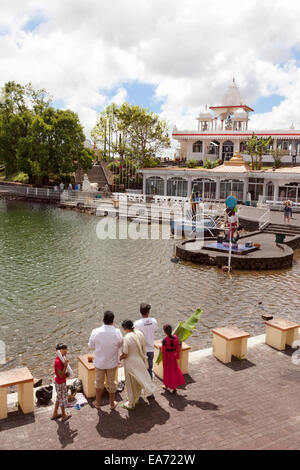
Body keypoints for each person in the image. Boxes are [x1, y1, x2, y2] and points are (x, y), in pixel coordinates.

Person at [88, 311, 123, 410]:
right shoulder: (117, 332)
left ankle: (98, 403)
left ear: (103, 319)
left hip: (99, 363)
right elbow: (120, 344)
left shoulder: (95, 331)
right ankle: (112, 403)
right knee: (112, 383)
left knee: (99, 383)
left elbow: (90, 345)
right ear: (113, 320)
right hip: (112, 362)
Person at [120, 320, 155, 410]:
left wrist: (119, 358)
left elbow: (125, 353)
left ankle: (131, 402)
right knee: (139, 379)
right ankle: (138, 395)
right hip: (140, 360)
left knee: (131, 382)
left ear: (125, 328)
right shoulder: (139, 333)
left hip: (130, 362)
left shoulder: (127, 337)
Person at [134, 303, 157, 379]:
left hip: (141, 350)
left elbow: (134, 335)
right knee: (149, 369)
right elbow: (154, 329)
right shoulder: (153, 321)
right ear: (148, 311)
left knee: (141, 370)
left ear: (140, 312)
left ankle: (143, 387)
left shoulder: (137, 323)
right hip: (150, 349)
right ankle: (149, 386)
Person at [161, 325, 185, 394]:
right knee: (173, 371)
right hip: (173, 356)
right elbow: (177, 347)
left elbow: (163, 350)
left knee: (167, 371)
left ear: (165, 332)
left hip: (167, 357)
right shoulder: (175, 338)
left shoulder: (164, 340)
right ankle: (173, 387)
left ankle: (167, 385)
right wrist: (176, 354)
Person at [51, 343, 71, 421]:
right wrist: (65, 366)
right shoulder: (58, 361)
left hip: (60, 381)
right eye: (63, 349)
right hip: (60, 383)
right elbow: (60, 375)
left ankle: (55, 413)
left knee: (59, 397)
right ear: (58, 351)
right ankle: (63, 415)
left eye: (66, 349)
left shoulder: (62, 358)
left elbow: (62, 375)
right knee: (62, 398)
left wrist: (67, 374)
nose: (65, 351)